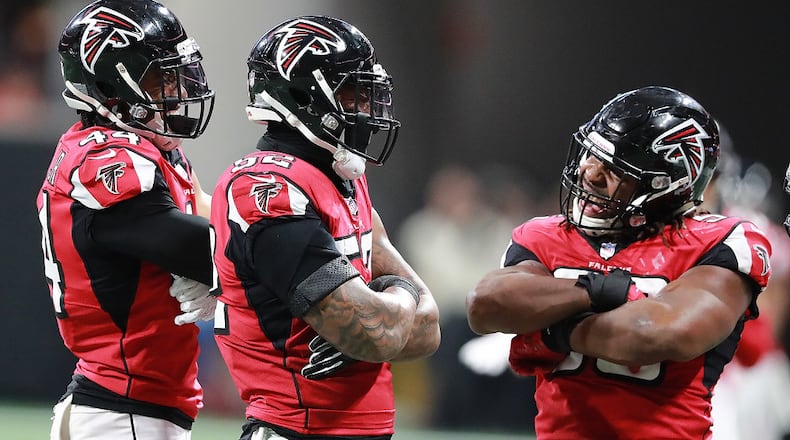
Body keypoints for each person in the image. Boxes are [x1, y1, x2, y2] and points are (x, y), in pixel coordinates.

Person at [466, 86, 773, 439]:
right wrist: (593, 291)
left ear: (665, 184)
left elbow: (652, 334)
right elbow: (485, 305)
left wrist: (549, 333)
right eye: (591, 155)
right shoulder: (547, 234)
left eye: (615, 169)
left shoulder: (717, 241)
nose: (590, 173)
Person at [210, 16, 441, 440]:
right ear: (304, 96)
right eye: (355, 93)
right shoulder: (266, 188)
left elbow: (428, 331)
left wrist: (390, 309)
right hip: (296, 427)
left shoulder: (343, 180)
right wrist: (396, 302)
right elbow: (374, 333)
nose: (368, 109)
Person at [36, 1, 217, 438]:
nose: (175, 89)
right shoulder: (105, 156)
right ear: (111, 85)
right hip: (121, 411)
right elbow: (190, 242)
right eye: (160, 78)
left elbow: (223, 222)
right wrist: (233, 270)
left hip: (131, 406)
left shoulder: (148, 150)